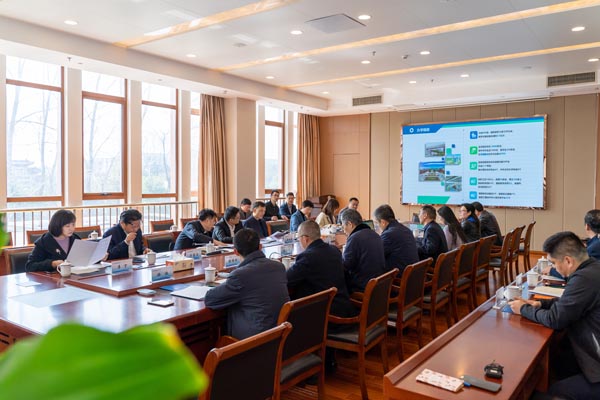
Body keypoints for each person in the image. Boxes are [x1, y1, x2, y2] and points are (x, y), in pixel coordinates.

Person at [510, 232, 600, 399]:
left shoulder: (584, 278)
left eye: (553, 263)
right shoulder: (593, 268)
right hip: (590, 352)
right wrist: (540, 304)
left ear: (568, 261)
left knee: (554, 392)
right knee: (557, 363)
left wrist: (523, 309)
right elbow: (570, 301)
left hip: (596, 365)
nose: (554, 268)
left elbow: (555, 319)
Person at [204, 228, 289, 339]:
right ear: (260, 247)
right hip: (278, 334)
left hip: (253, 340)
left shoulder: (240, 275)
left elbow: (210, 299)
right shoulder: (279, 267)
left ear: (235, 252)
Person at [287, 221, 356, 321]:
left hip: (326, 316)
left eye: (299, 238)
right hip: (344, 307)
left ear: (305, 238)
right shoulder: (334, 250)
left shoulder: (307, 257)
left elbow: (287, 280)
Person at [544, 209, 600, 279]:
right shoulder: (594, 242)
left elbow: (579, 273)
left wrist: (551, 271)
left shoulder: (594, 248)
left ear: (587, 226)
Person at [340, 208, 385, 293]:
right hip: (379, 284)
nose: (343, 229)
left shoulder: (355, 238)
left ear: (349, 224)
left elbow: (346, 265)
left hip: (363, 287)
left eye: (343, 226)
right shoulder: (375, 234)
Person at [373, 204, 418, 274]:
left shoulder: (388, 234)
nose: (376, 226)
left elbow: (376, 255)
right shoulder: (405, 229)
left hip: (399, 277)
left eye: (376, 223)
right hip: (412, 275)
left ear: (383, 222)